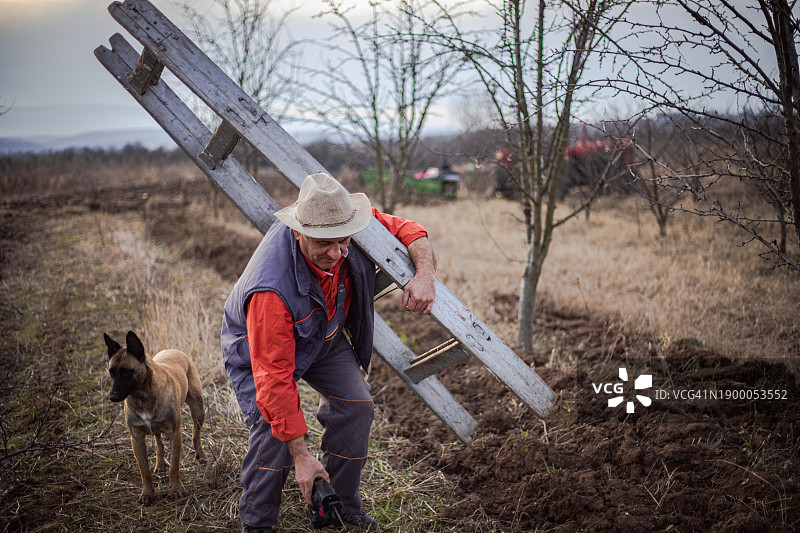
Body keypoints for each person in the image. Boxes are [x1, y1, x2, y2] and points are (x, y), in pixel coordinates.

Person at [221, 172, 436, 532]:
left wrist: (425, 274)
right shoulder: (270, 291)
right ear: (300, 231)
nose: (337, 254)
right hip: (260, 348)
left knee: (357, 407)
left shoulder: (340, 220)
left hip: (323, 335)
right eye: (325, 245)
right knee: (274, 430)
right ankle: (257, 524)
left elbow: (412, 230)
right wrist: (302, 457)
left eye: (344, 242)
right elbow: (274, 380)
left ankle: (338, 508)